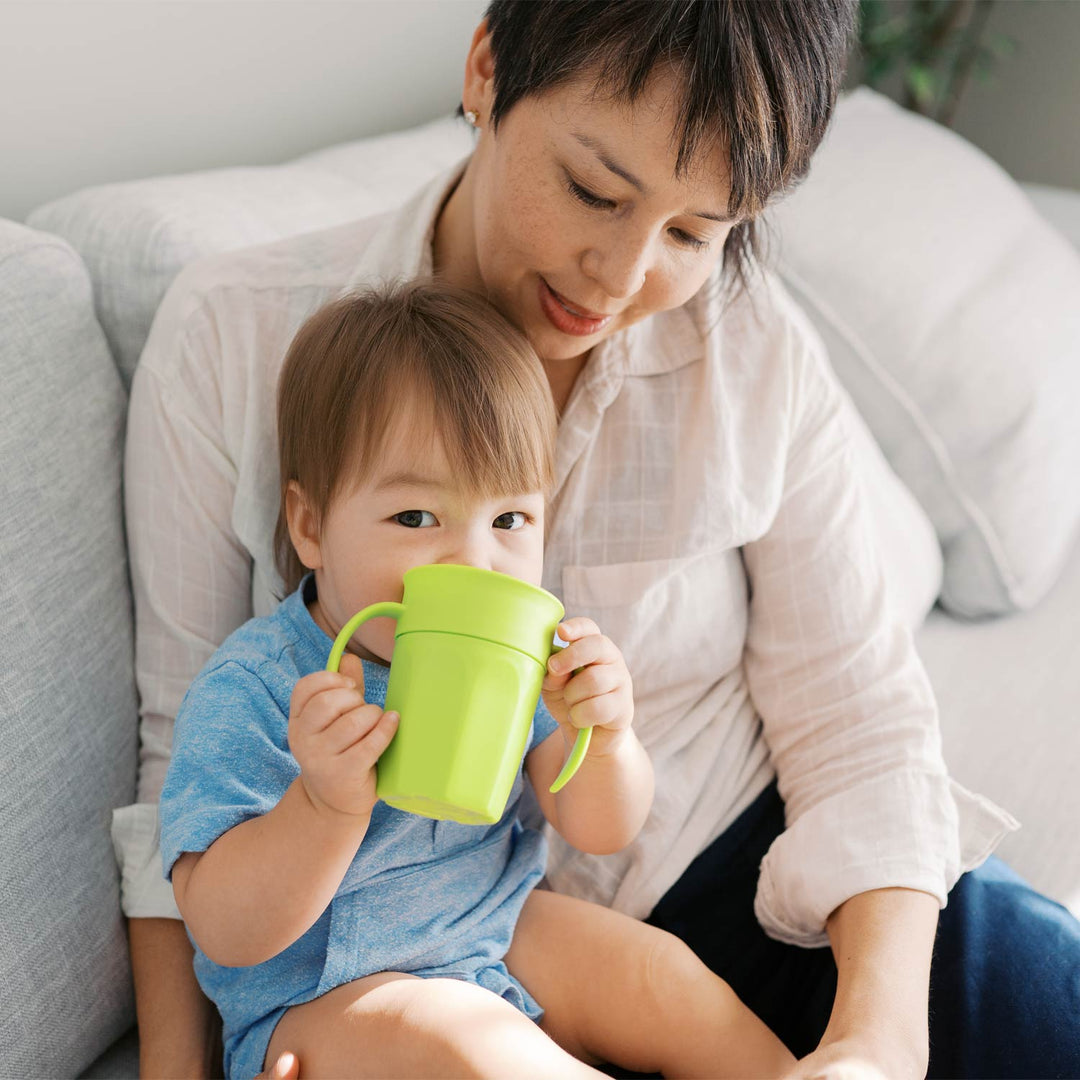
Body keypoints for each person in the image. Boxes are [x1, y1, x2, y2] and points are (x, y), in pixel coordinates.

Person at [116, 3, 1080, 1078]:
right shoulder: (238, 337)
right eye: (594, 190)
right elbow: (173, 777)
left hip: (753, 882)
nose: (619, 279)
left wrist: (876, 1039)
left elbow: (859, 720)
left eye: (691, 232)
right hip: (389, 959)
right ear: (486, 68)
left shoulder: (754, 352)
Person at [158, 280, 797, 1080]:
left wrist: (604, 737)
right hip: (325, 1008)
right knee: (463, 1040)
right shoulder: (258, 685)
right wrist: (321, 806)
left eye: (508, 522)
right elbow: (222, 927)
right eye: (418, 519)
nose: (474, 560)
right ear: (311, 525)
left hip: (492, 929)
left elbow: (600, 828)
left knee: (659, 975)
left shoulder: (515, 655)